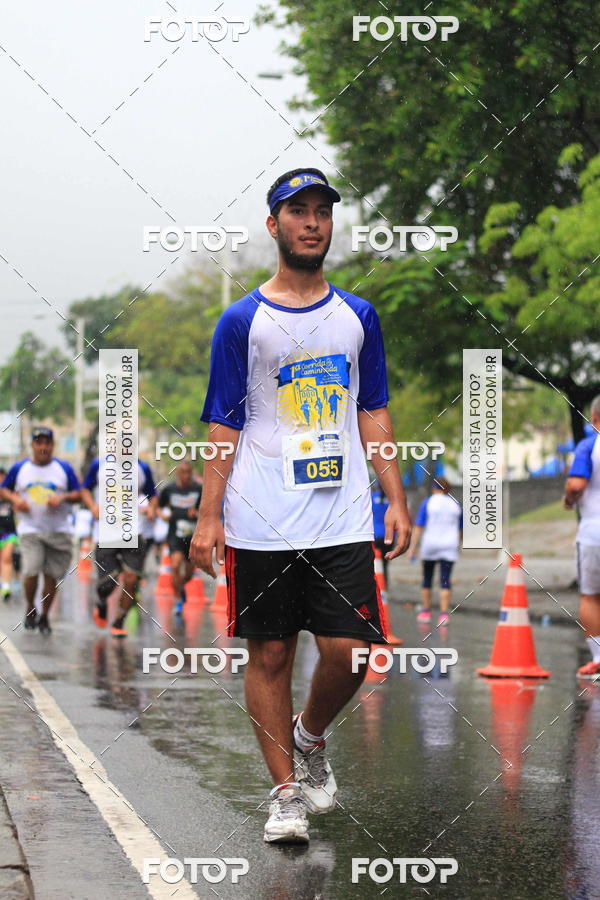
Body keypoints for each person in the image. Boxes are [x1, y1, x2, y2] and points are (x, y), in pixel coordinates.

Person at [191, 167, 411, 844]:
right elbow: (223, 423)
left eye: (322, 211)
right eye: (298, 212)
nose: (313, 222)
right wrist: (208, 514)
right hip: (260, 517)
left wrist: (395, 497)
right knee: (271, 657)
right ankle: (284, 794)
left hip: (341, 513)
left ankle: (310, 738)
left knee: (350, 653)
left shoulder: (357, 317)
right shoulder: (242, 321)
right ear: (274, 225)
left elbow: (371, 409)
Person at [0, 427, 80, 632]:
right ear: (33, 445)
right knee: (31, 570)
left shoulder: (64, 468)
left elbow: (79, 493)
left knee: (51, 576)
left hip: (58, 530)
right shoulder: (20, 468)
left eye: (47, 443)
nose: (43, 447)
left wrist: (62, 498)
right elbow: (4, 489)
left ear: (52, 445)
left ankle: (45, 615)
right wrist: (16, 499)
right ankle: (30, 607)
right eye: (39, 442)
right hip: (30, 529)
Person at [81, 457, 157, 637]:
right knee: (109, 582)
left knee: (132, 579)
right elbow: (85, 489)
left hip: (134, 531)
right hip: (106, 533)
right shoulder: (98, 465)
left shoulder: (142, 467)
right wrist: (92, 506)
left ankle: (119, 621)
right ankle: (101, 601)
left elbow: (152, 495)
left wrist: (152, 508)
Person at [563, 396, 600, 679]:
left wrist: (569, 497)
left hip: (594, 533)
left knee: (591, 596)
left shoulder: (589, 445)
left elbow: (576, 483)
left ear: (595, 419)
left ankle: (598, 657)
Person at [409, 477, 462, 627]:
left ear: (433, 488)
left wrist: (413, 547)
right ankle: (444, 615)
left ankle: (426, 611)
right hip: (449, 545)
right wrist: (459, 544)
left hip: (430, 544)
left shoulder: (428, 502)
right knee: (445, 579)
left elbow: (419, 526)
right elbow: (460, 528)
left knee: (427, 578)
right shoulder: (455, 504)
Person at [158, 461, 202, 614]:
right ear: (178, 473)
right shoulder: (170, 489)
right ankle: (178, 600)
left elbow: (206, 511)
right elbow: (157, 505)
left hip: (192, 537)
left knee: (189, 574)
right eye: (183, 473)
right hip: (174, 535)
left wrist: (196, 514)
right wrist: (162, 515)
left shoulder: (198, 489)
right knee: (175, 565)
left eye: (189, 473)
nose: (186, 476)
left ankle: (180, 588)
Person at [0, 467, 18, 600]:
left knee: (6, 557)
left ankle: (6, 586)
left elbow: (20, 506)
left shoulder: (11, 493)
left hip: (9, 532)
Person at [371, 481, 390, 584]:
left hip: (375, 534)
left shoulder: (372, 497)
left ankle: (377, 586)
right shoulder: (391, 499)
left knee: (375, 563)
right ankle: (385, 585)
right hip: (388, 535)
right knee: (385, 564)